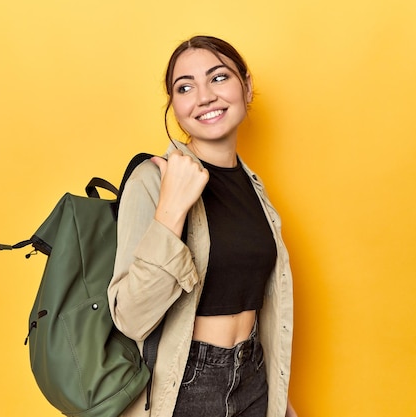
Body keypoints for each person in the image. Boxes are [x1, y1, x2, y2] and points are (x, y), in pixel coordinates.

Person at [107, 35, 298, 417]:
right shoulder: (153, 180)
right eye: (185, 87)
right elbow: (130, 318)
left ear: (246, 86)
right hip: (187, 385)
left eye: (219, 78)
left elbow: (262, 307)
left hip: (253, 376)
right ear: (174, 106)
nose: (204, 96)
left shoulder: (253, 187)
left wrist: (281, 401)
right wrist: (172, 209)